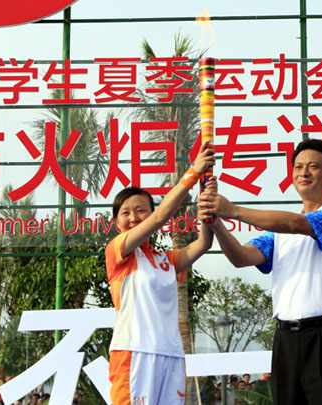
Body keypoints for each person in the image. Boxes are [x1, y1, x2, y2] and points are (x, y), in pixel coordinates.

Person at [198, 138, 322, 405]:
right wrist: (216, 222)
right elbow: (241, 257)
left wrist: (232, 210)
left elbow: (297, 224)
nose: (303, 172)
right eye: (298, 167)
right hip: (287, 339)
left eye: (313, 167)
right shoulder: (278, 233)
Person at [107, 142, 216, 405]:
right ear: (116, 222)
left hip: (171, 354)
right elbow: (159, 220)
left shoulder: (165, 261)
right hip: (134, 354)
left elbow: (203, 244)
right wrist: (193, 174)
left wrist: (207, 205)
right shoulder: (118, 252)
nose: (133, 217)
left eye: (140, 210)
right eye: (125, 213)